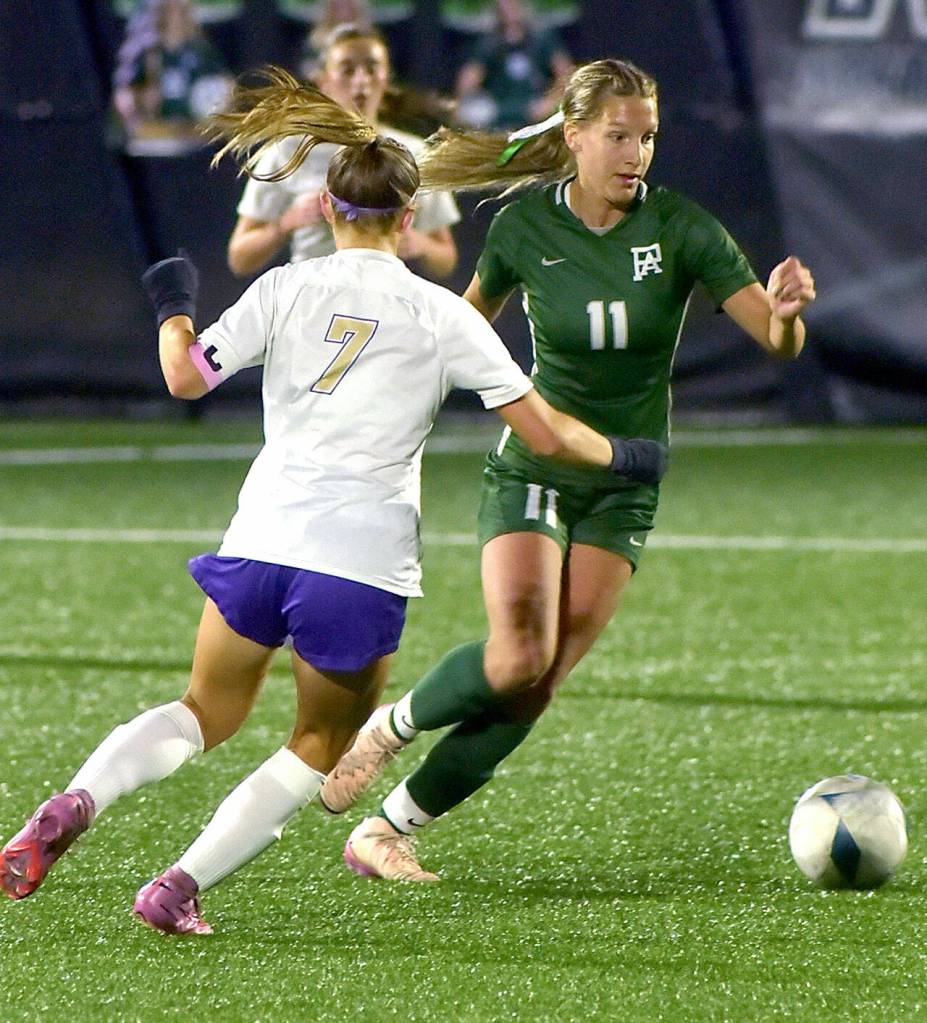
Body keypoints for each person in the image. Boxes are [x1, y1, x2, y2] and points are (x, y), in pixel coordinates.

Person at [0, 75, 667, 932]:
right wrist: (626, 453)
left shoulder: (286, 288)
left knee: (202, 708)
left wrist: (173, 305)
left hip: (261, 539)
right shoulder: (440, 314)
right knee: (316, 743)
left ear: (323, 204)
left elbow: (184, 374)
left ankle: (71, 804)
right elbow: (543, 433)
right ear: (410, 215)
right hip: (358, 562)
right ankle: (177, 887)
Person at [319, 57, 817, 881]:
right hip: (536, 465)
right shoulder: (523, 231)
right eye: (618, 135)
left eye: (647, 137)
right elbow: (460, 330)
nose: (635, 153)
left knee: (537, 685)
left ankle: (387, 829)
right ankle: (390, 727)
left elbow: (775, 338)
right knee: (516, 655)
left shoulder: (684, 228)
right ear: (574, 135)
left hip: (626, 484)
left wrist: (790, 314)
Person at [227, 24, 459, 280]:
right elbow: (239, 257)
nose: (361, 80)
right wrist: (285, 224)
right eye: (347, 69)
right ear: (323, 79)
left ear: (386, 78)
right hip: (313, 294)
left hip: (384, 297)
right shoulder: (290, 150)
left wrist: (419, 244)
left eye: (372, 68)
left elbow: (446, 258)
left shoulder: (416, 153)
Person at [112, 0, 232, 156]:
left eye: (180, 11)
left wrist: (217, 104)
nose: (175, 17)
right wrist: (138, 102)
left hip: (195, 136)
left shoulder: (201, 51)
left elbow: (226, 85)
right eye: (169, 10)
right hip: (156, 136)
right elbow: (124, 93)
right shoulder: (146, 51)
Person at [454, 0, 573, 130]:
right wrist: (460, 105)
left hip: (534, 103)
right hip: (497, 107)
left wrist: (550, 101)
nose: (509, 9)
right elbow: (469, 78)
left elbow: (565, 74)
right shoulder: (488, 42)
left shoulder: (542, 39)